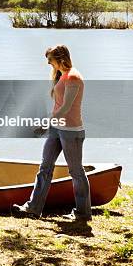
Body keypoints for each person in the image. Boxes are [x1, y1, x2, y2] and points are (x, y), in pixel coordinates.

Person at [13, 44, 91, 221]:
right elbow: (58, 108)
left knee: (76, 172)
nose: (49, 63)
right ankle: (33, 208)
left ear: (60, 58)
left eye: (50, 59)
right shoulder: (63, 76)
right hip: (57, 128)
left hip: (71, 131)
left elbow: (65, 108)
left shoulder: (73, 77)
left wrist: (45, 124)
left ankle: (83, 213)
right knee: (45, 167)